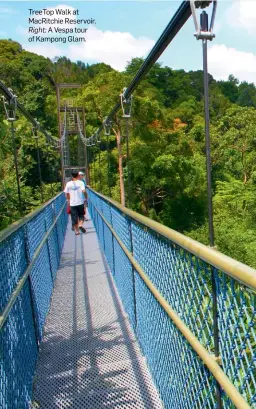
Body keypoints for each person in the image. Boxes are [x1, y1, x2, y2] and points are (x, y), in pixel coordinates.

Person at [64, 170, 87, 235]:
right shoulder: (81, 183)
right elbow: (84, 191)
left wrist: (69, 200)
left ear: (72, 175)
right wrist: (86, 197)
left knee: (74, 217)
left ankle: (77, 231)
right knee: (81, 215)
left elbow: (66, 194)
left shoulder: (68, 184)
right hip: (80, 202)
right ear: (78, 175)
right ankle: (80, 225)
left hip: (72, 204)